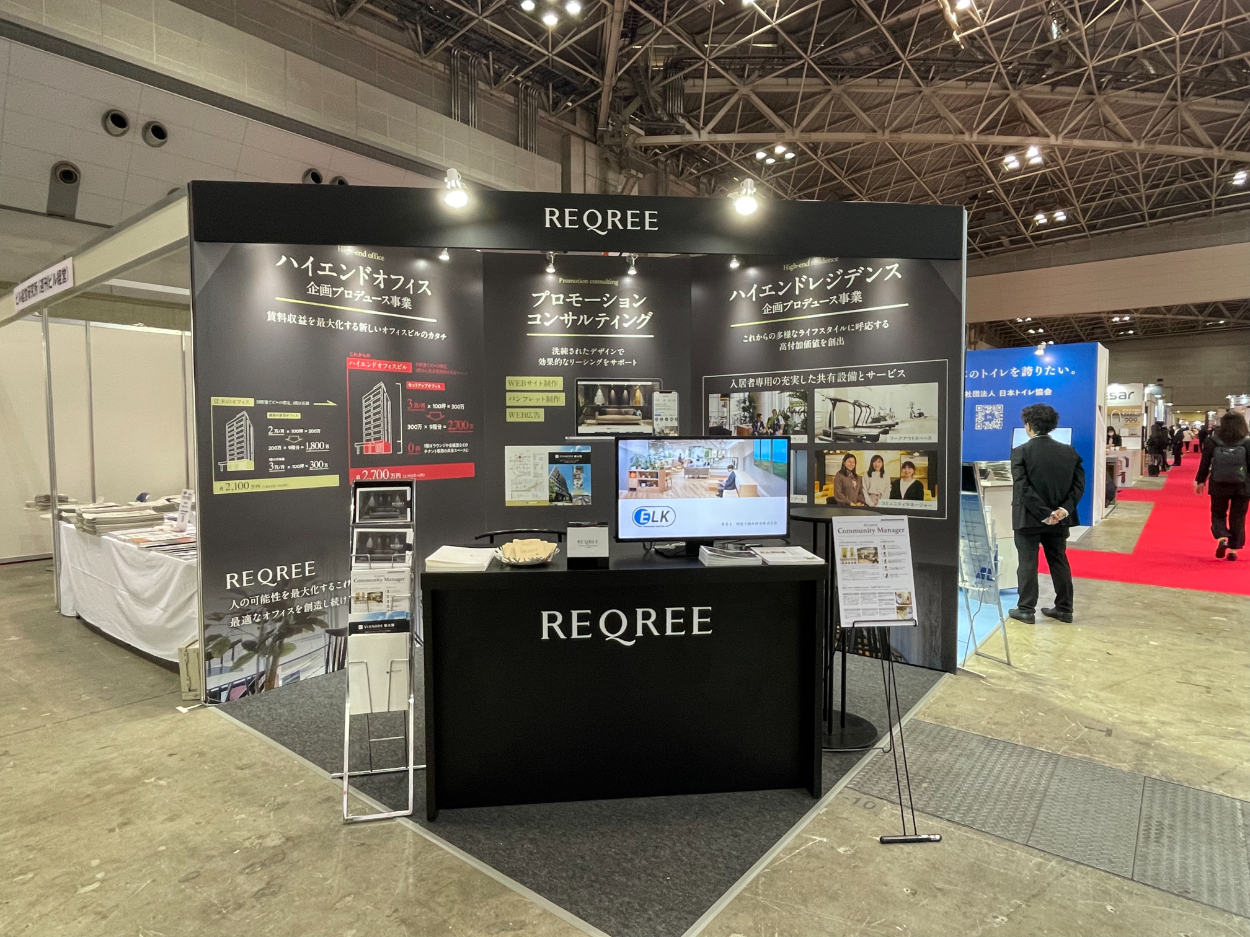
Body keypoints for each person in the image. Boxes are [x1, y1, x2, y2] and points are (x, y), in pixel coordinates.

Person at [1009, 403, 1085, 624]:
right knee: (1059, 560)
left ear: (1028, 425)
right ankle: (1065, 609)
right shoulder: (1069, 452)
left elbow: (1022, 488)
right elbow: (1079, 485)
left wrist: (1044, 513)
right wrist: (1062, 510)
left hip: (1028, 518)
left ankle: (1026, 609)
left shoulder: (1020, 452)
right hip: (1060, 520)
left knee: (1027, 563)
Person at [1194, 411, 1250, 561]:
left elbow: (1205, 463)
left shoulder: (1212, 441)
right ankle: (1233, 551)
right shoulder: (1247, 442)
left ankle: (1222, 539)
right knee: (1238, 517)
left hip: (1218, 483)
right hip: (1242, 485)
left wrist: (1200, 481)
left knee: (1218, 513)